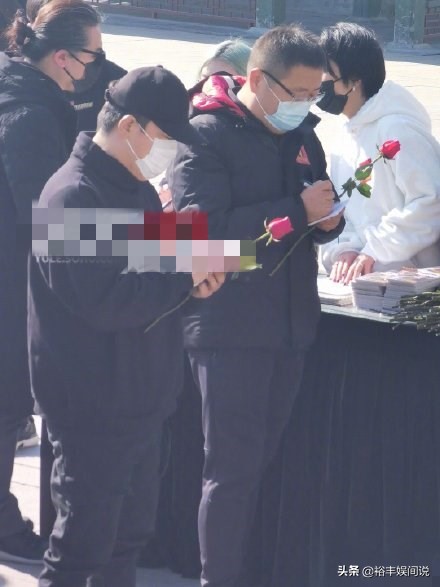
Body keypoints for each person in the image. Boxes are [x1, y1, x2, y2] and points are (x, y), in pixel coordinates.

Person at [28, 65, 224, 587]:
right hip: (91, 404)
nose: (171, 156)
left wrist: (195, 277)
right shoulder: (71, 195)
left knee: (125, 543)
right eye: (167, 140)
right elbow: (105, 300)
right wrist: (184, 275)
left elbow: (157, 274)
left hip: (143, 398)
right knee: (80, 551)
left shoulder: (134, 188)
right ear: (131, 127)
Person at [169, 24, 344, 587]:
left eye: (314, 94)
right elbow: (205, 240)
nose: (305, 105)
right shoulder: (204, 135)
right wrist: (296, 209)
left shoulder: (303, 137)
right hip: (230, 328)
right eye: (296, 94)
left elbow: (310, 214)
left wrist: (327, 221)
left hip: (289, 324)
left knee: (261, 464)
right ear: (256, 81)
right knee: (232, 472)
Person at [0, 0, 102, 564]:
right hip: (15, 289)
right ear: (62, 56)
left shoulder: (27, 94)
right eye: (93, 55)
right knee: (8, 406)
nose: (96, 69)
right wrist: (181, 238)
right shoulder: (29, 116)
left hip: (17, 281)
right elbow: (59, 226)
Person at [317, 23, 440, 284]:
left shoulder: (398, 129)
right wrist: (347, 248)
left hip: (409, 284)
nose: (320, 83)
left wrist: (376, 250)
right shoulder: (345, 135)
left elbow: (430, 202)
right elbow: (344, 210)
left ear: (354, 82)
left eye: (327, 73)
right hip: (364, 280)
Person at [26, 0, 127, 133]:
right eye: (95, 54)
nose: (95, 63)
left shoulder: (103, 74)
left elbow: (129, 86)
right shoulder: (26, 111)